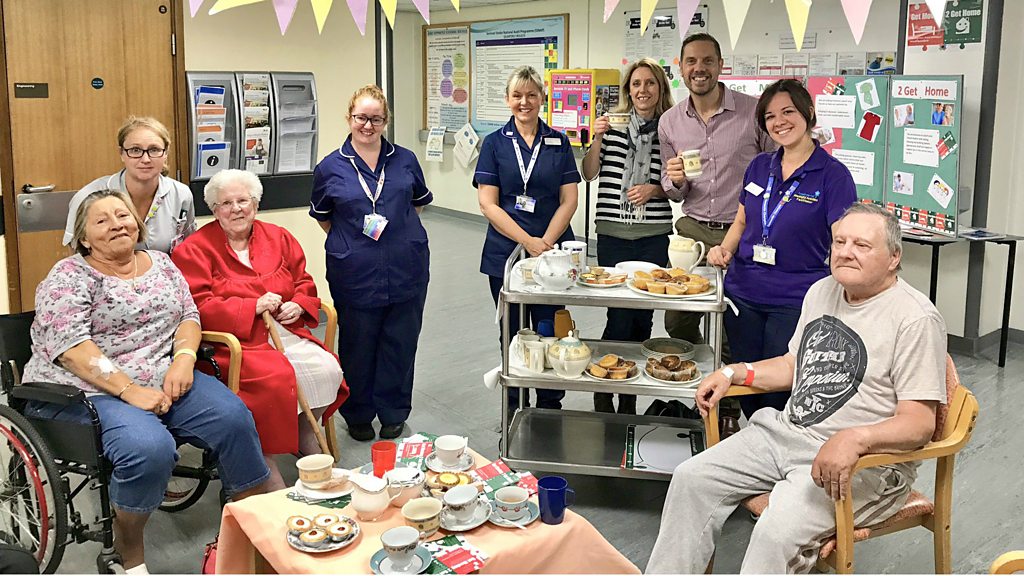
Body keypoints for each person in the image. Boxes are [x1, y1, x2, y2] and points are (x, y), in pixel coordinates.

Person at [647, 203, 948, 574]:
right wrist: (735, 372)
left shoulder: (915, 319)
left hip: (862, 465)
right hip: (786, 434)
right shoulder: (822, 290)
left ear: (894, 257)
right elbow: (794, 365)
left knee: (776, 531)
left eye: (861, 245)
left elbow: (919, 423)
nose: (845, 252)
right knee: (691, 479)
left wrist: (854, 439)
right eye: (839, 242)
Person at [24, 189, 269, 573]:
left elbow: (188, 316)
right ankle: (129, 548)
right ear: (84, 237)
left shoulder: (161, 263)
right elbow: (70, 347)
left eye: (122, 216)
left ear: (137, 224)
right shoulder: (69, 276)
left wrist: (184, 360)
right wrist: (129, 389)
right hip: (86, 388)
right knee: (149, 448)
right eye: (102, 220)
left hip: (162, 373)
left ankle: (250, 531)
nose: (116, 224)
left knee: (234, 419)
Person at [172, 169, 349, 489]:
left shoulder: (279, 237)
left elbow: (303, 281)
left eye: (243, 201)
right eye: (226, 203)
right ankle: (262, 458)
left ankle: (303, 432)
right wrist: (250, 306)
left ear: (255, 204)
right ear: (214, 209)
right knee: (274, 379)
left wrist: (299, 304)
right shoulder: (194, 249)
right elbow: (196, 306)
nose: (236, 209)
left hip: (285, 331)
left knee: (328, 369)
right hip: (233, 344)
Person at [707, 79, 857, 420]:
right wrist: (723, 250)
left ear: (808, 114)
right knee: (744, 379)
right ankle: (753, 439)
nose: (779, 122)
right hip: (742, 294)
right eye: (770, 116)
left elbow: (843, 238)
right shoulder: (760, 166)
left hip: (794, 300)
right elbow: (742, 221)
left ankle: (774, 443)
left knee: (778, 390)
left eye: (788, 112)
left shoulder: (832, 175)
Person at [310, 84, 432, 442]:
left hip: (406, 266)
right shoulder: (330, 167)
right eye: (361, 117)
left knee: (401, 341)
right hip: (355, 271)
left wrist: (396, 236)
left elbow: (416, 204)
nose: (368, 125)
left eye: (376, 119)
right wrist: (355, 243)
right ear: (349, 118)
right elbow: (325, 218)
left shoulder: (405, 160)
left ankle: (394, 411)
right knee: (358, 343)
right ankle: (358, 412)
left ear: (385, 121)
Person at [474, 65, 580, 413]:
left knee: (551, 331)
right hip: (506, 254)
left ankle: (549, 408)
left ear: (542, 99)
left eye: (531, 95)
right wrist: (528, 242)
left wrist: (545, 242)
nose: (524, 102)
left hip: (553, 255)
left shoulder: (559, 142)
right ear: (508, 100)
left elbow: (569, 200)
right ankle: (515, 409)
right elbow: (488, 204)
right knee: (513, 333)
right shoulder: (494, 144)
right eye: (517, 95)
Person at [658, 33, 774, 347]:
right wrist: (676, 180)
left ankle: (727, 375)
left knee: (734, 323)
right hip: (692, 231)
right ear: (681, 68)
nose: (699, 68)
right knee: (677, 320)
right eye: (691, 61)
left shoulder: (753, 112)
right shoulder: (669, 122)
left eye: (707, 60)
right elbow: (674, 190)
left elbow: (775, 168)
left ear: (721, 65)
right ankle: (703, 363)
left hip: (742, 232)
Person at [582, 58, 674, 415]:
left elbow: (678, 186)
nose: (643, 90)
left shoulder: (671, 130)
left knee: (643, 317)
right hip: (613, 233)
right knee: (619, 314)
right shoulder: (613, 126)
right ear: (628, 90)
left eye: (650, 83)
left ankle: (629, 394)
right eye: (636, 84)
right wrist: (597, 137)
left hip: (653, 233)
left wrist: (655, 189)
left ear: (660, 88)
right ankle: (607, 384)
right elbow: (589, 173)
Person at [63, 116, 196, 254]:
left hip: (164, 267)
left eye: (154, 149)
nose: (145, 159)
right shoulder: (88, 197)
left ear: (166, 153)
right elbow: (76, 256)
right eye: (135, 150)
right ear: (122, 153)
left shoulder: (181, 194)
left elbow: (188, 247)